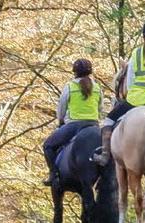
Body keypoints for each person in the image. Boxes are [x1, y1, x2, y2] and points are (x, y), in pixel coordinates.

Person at [43, 58, 110, 186]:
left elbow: (61, 108)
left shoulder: (70, 86)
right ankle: (104, 177)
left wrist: (61, 121)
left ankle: (54, 175)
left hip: (74, 125)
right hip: (94, 125)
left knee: (48, 146)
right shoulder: (97, 88)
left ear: (75, 72)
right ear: (90, 72)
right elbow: (101, 109)